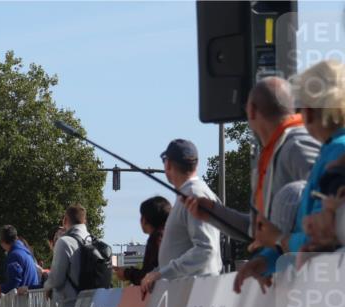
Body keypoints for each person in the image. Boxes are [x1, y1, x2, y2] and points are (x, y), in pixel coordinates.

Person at [237, 60, 345, 288]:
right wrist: (269, 259)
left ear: (312, 111)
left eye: (302, 107)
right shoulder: (330, 150)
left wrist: (278, 240)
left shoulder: (336, 153)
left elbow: (322, 238)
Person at [186, 76, 321, 247]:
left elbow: (328, 214)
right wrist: (213, 212)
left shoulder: (297, 146)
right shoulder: (276, 151)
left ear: (251, 110)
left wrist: (281, 243)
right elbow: (257, 231)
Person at [139, 140, 223, 295]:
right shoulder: (190, 194)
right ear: (196, 165)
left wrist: (161, 274)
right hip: (190, 293)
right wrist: (158, 273)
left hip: (197, 295)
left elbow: (206, 249)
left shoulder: (194, 195)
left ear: (168, 164)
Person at [45, 204, 93, 307]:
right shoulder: (92, 240)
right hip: (91, 302)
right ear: (85, 221)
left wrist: (46, 287)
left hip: (69, 304)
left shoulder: (64, 242)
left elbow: (57, 279)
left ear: (65, 220)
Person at [114, 197, 170, 286]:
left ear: (144, 220)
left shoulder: (156, 238)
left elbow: (147, 276)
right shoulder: (170, 236)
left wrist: (126, 273)